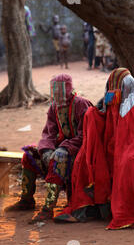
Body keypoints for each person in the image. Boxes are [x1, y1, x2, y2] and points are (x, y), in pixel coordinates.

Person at [53, 68, 134, 228]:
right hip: (116, 148)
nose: (113, 92)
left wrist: (131, 148)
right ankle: (89, 210)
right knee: (84, 160)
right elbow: (105, 123)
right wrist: (92, 115)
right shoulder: (111, 104)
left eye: (116, 87)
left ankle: (130, 213)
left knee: (129, 163)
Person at [4, 74, 92, 222]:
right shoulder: (54, 107)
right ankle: (27, 200)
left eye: (60, 90)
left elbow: (86, 135)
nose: (56, 94)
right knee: (30, 155)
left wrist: (64, 148)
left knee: (58, 159)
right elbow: (49, 133)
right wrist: (46, 150)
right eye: (54, 90)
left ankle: (48, 208)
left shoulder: (81, 104)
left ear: (68, 89)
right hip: (59, 149)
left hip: (79, 152)